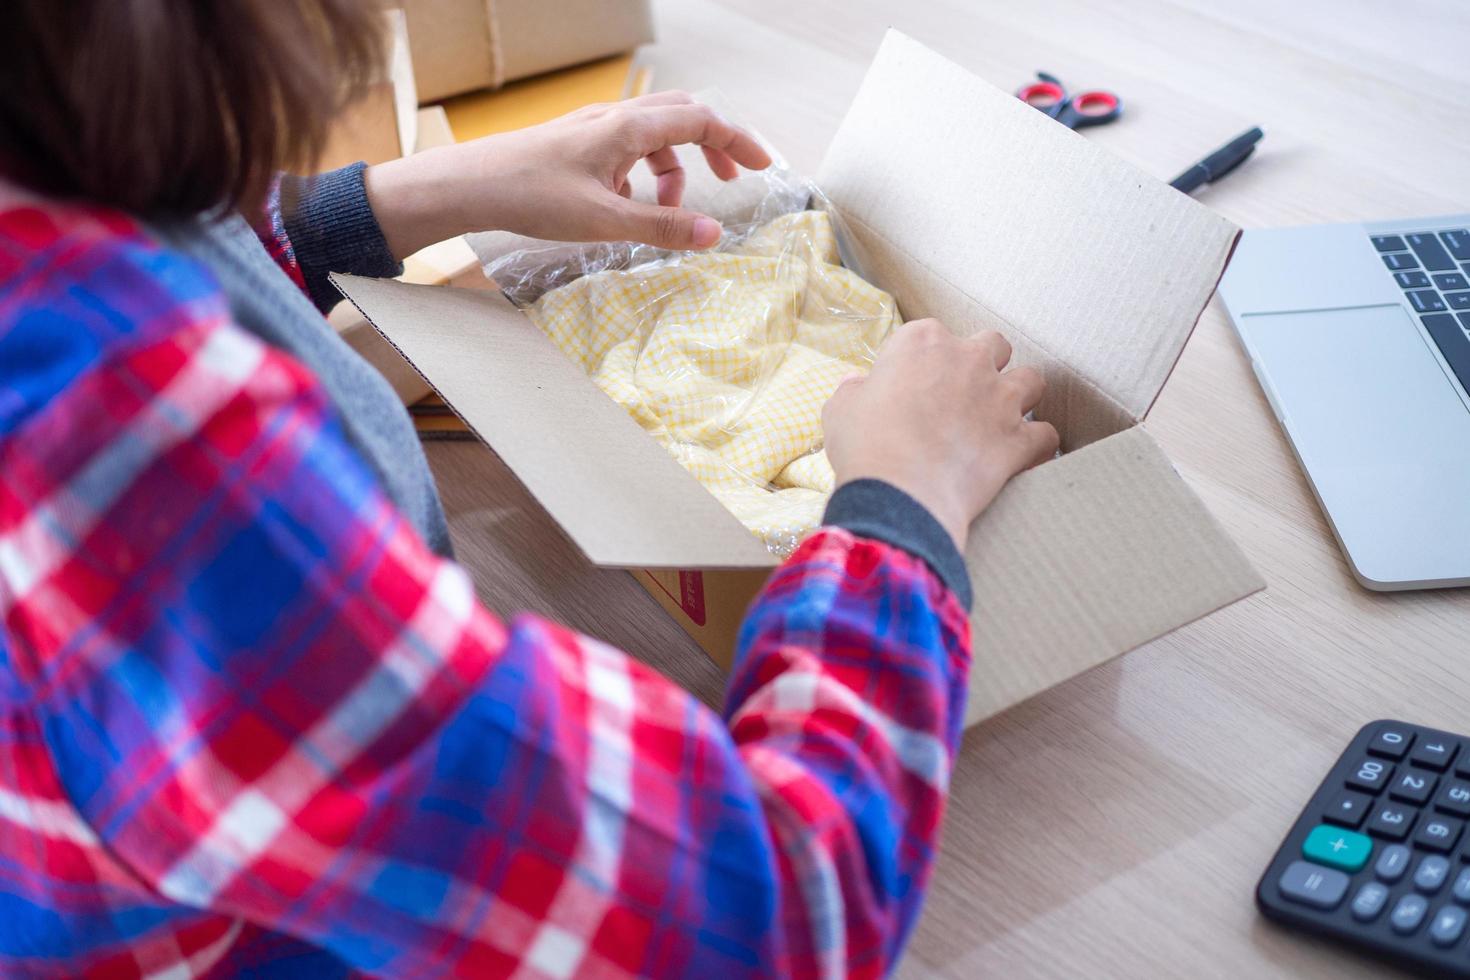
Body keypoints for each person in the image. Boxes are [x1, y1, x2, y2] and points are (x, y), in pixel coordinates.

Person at [0, 1, 1058, 977]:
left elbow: (151, 232)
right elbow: (769, 914)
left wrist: (399, 199)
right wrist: (900, 503)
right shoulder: (145, 443)